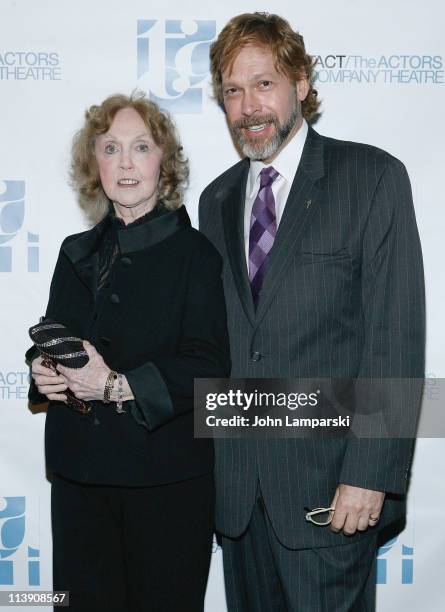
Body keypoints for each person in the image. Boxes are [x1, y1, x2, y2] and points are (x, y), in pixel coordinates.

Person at [199, 12, 425, 611]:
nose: (248, 106)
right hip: (238, 501)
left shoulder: (371, 178)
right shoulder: (215, 199)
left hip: (332, 495)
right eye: (232, 91)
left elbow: (395, 335)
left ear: (300, 82)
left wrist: (371, 473)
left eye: (263, 83)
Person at [27, 92, 230, 612]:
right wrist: (43, 373)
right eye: (110, 147)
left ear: (164, 162)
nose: (125, 162)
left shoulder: (198, 256)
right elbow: (57, 341)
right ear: (94, 162)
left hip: (166, 483)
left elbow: (210, 366)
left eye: (141, 147)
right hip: (80, 483)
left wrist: (119, 386)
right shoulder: (76, 252)